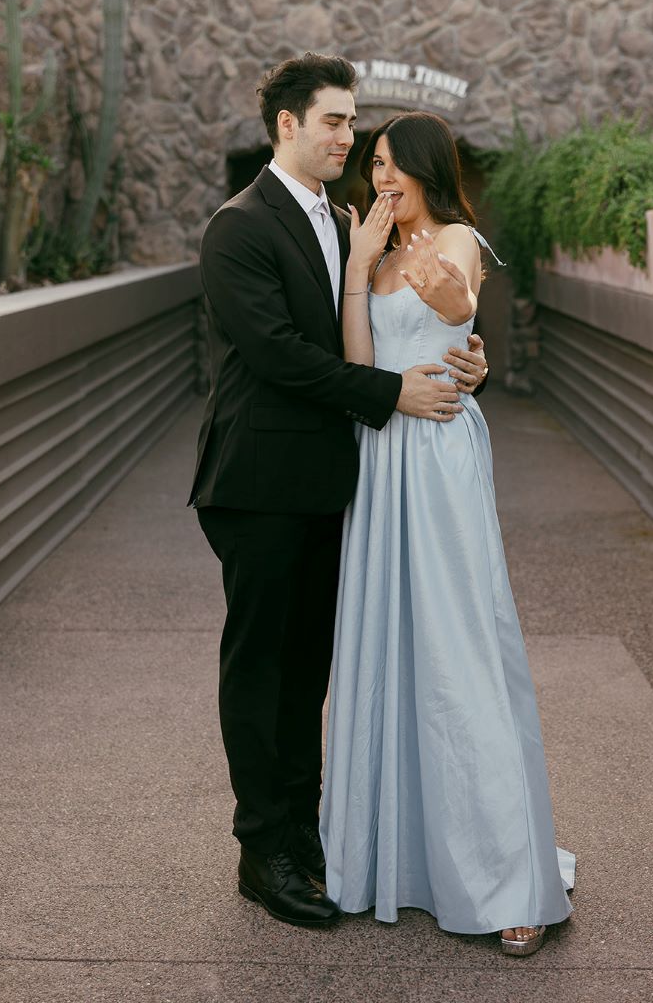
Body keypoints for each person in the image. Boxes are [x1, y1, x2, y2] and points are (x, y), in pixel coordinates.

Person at [189, 54, 488, 929]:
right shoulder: (237, 228)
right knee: (263, 667)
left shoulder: (351, 220)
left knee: (311, 669)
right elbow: (279, 353)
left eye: (352, 123)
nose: (348, 138)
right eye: (333, 122)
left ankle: (310, 835)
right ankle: (264, 850)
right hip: (260, 481)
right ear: (287, 124)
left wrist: (470, 358)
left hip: (335, 484)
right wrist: (391, 394)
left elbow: (412, 316)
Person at [319, 111, 575, 956]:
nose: (379, 179)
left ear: (426, 168)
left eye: (390, 165)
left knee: (459, 652)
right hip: (380, 455)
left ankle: (508, 879)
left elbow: (461, 299)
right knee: (385, 650)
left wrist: (450, 304)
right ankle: (393, 859)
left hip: (437, 461)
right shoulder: (376, 251)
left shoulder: (458, 238)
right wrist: (361, 266)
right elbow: (359, 364)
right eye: (373, 167)